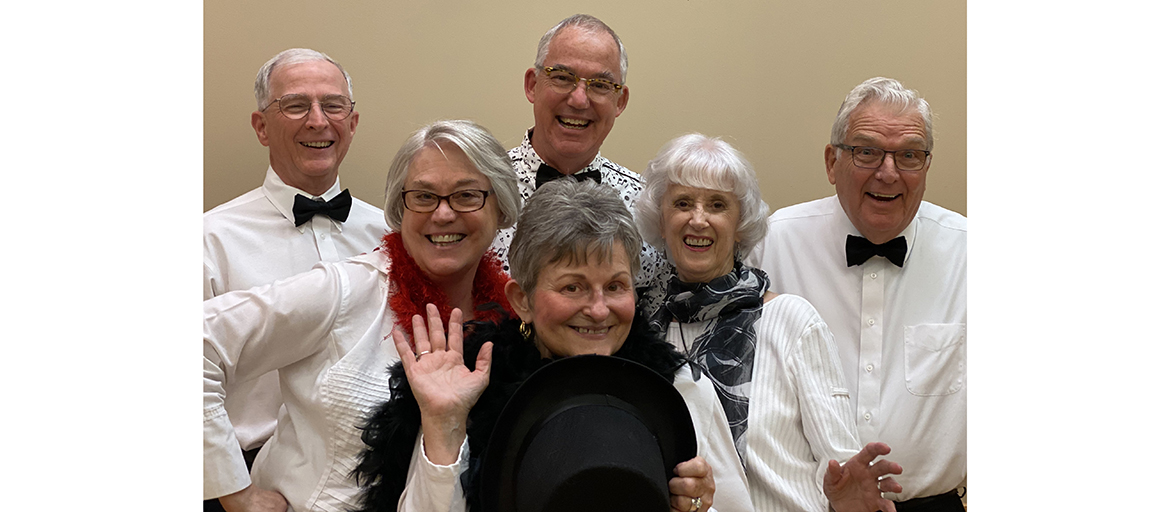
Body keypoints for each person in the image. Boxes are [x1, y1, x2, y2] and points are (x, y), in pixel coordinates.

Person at [355, 179, 752, 512]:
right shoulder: (468, 389)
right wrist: (443, 424)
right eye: (572, 287)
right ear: (521, 300)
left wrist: (699, 507)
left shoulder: (678, 388)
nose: (598, 310)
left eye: (615, 286)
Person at [203, 120, 522, 512]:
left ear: (501, 208)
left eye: (467, 195)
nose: (442, 214)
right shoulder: (347, 288)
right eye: (423, 196)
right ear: (399, 209)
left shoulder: (514, 319)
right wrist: (237, 494)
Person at [635, 133, 904, 512]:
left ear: (740, 224)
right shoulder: (644, 334)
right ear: (660, 220)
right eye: (682, 203)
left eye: (717, 205)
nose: (698, 219)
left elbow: (841, 466)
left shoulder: (791, 321)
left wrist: (845, 497)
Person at [745, 77, 966, 511]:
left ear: (926, 165)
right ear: (832, 162)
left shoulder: (974, 254)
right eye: (866, 152)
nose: (888, 172)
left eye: (909, 156)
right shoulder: (768, 247)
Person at [202, 48, 388, 491]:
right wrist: (233, 492)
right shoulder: (208, 240)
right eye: (296, 105)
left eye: (333, 105)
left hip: (370, 480)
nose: (318, 121)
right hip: (250, 479)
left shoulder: (392, 235)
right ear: (261, 127)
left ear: (353, 123)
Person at [489, 14, 668, 290]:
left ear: (620, 101)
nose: (579, 99)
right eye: (562, 78)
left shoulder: (649, 210)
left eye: (600, 85)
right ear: (532, 85)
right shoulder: (477, 194)